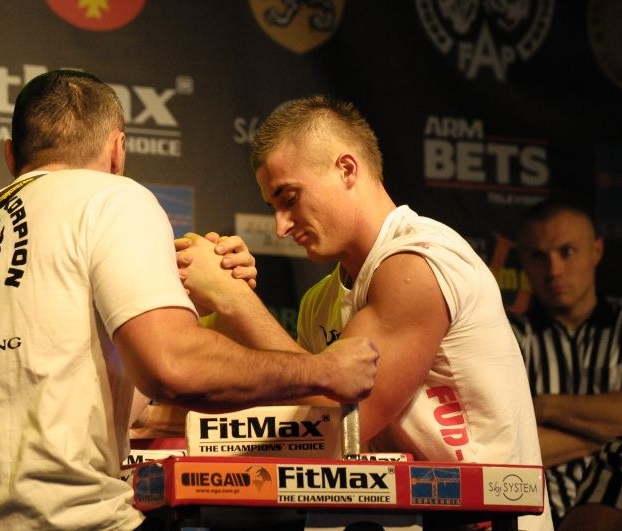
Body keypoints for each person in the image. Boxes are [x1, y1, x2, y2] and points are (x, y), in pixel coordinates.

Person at [0, 71, 380, 531]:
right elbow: (173, 368)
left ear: (11, 156)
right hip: (69, 520)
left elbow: (100, 395)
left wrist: (196, 308)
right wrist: (323, 370)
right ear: (118, 149)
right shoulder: (110, 199)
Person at [177, 95, 553, 530]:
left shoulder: (417, 263)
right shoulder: (319, 300)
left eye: (290, 198)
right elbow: (305, 431)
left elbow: (340, 424)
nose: (281, 226)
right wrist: (220, 308)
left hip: (488, 521)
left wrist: (235, 300)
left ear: (346, 169)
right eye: (273, 208)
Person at [510, 199, 622, 530]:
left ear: (596, 252)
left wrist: (543, 407)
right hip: (531, 517)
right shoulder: (507, 334)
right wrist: (611, 439)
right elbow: (502, 448)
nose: (554, 270)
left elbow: (524, 438)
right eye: (538, 256)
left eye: (567, 252)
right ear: (523, 262)